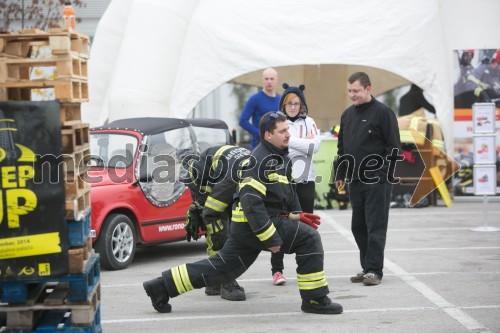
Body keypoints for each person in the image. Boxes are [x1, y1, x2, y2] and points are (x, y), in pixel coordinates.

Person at [143, 111, 343, 315]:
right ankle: (315, 299)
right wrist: (270, 238)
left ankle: (161, 286)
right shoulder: (258, 161)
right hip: (254, 224)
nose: (288, 135)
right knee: (309, 239)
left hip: (249, 227)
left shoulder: (282, 159)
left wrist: (298, 213)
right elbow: (250, 201)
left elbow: (289, 193)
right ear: (268, 135)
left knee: (221, 268)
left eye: (288, 130)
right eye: (282, 131)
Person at [335, 72, 401, 286]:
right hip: (355, 180)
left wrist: (383, 175)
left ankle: (374, 270)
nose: (352, 95)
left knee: (375, 226)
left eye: (356, 91)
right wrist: (340, 174)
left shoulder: (383, 113)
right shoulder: (347, 115)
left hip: (376, 181)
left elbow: (394, 147)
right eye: (349, 91)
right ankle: (367, 267)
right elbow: (342, 148)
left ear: (368, 89)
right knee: (358, 226)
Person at [269, 83, 321, 285]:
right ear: (283, 104)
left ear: (302, 104)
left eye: (296, 103)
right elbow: (275, 145)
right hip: (283, 180)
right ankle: (277, 271)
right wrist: (302, 142)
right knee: (279, 224)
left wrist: (288, 141)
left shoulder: (310, 121)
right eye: (289, 103)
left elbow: (314, 147)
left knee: (307, 225)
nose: (292, 107)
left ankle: (307, 267)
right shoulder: (276, 121)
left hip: (306, 180)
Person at [183, 145, 250, 301]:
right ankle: (225, 282)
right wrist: (201, 208)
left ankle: (213, 282)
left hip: (215, 174)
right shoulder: (235, 175)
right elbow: (211, 212)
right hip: (202, 180)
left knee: (228, 226)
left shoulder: (255, 168)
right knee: (218, 230)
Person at [239, 68, 280, 149]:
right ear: (262, 80)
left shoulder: (280, 99)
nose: (269, 81)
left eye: (272, 79)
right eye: (266, 78)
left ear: (276, 80)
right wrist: (261, 135)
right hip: (258, 145)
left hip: (276, 146)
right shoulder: (255, 99)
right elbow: (243, 121)